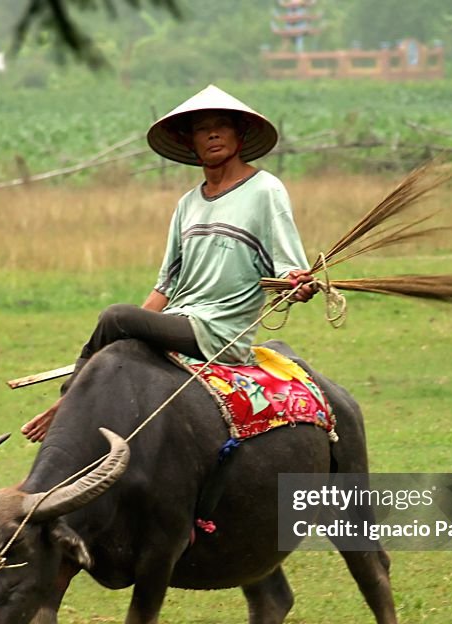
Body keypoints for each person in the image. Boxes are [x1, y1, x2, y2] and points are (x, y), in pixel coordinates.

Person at [21, 84, 317, 442]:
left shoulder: (265, 190)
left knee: (115, 315)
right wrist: (130, 329)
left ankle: (66, 405)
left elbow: (287, 265)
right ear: (190, 142)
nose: (211, 134)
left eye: (221, 125)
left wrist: (297, 283)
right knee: (120, 338)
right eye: (200, 129)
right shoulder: (187, 204)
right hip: (178, 319)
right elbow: (166, 285)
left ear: (240, 135)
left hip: (218, 331)